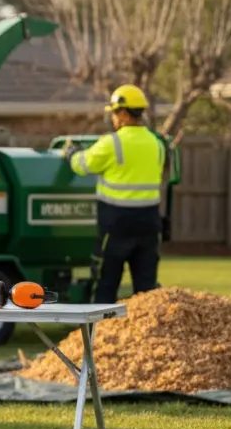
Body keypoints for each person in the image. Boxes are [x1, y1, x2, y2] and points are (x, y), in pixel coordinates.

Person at [63, 84, 167, 304]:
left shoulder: (112, 143)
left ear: (123, 113)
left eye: (113, 113)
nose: (112, 118)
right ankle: (150, 336)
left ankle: (102, 333)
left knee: (106, 283)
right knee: (147, 290)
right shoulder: (157, 144)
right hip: (149, 224)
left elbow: (82, 165)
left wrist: (71, 152)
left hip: (116, 225)